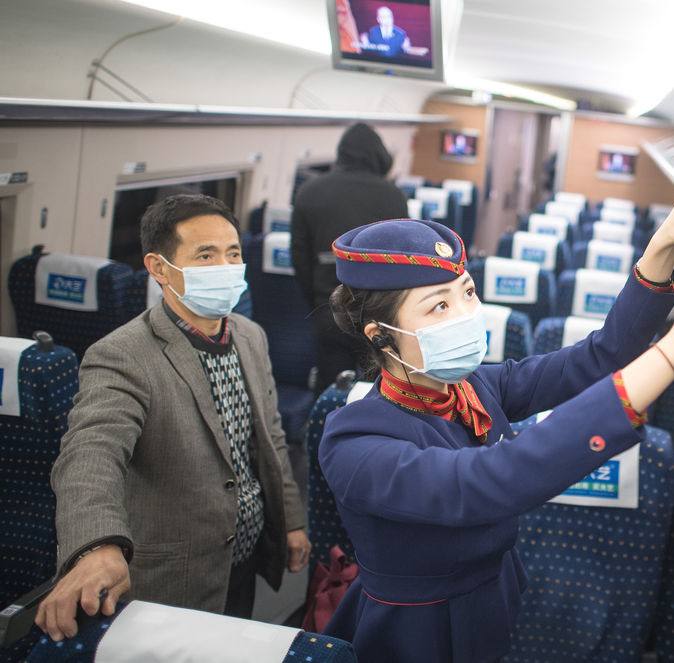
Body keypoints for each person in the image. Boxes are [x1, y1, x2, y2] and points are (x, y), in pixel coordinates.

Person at [317, 164, 674, 661]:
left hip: (492, 603)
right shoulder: (353, 442)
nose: (467, 314)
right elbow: (492, 479)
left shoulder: (476, 386)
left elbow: (600, 357)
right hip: (416, 635)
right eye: (439, 306)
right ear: (381, 336)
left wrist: (662, 246)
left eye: (468, 293)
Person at [36, 194, 311, 641]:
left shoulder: (251, 336)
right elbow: (91, 453)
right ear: (159, 268)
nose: (226, 267)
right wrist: (97, 545)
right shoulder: (122, 355)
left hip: (244, 558)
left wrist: (292, 520)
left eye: (233, 254)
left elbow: (270, 437)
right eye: (206, 256)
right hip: (177, 573)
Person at [291, 122, 409, 396]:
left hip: (328, 308)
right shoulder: (393, 196)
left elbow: (300, 258)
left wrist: (317, 300)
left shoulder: (309, 191)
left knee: (331, 391)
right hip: (377, 314)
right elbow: (401, 262)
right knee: (377, 393)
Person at [360, 6, 428, 57]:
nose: (387, 19)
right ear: (378, 19)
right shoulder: (373, 31)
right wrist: (365, 43)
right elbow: (370, 50)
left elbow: (406, 50)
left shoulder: (401, 34)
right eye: (384, 17)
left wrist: (412, 50)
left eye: (389, 16)